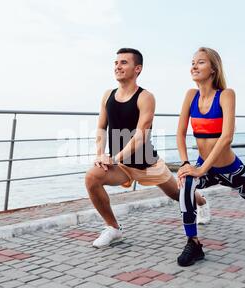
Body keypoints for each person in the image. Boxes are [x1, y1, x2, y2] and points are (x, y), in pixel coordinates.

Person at [176, 47, 245, 267]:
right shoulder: (190, 96)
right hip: (204, 166)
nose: (194, 66)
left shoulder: (226, 95)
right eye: (192, 62)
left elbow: (226, 136)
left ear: (213, 68)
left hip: (231, 169)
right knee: (186, 186)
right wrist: (186, 165)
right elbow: (180, 133)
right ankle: (194, 243)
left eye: (200, 62)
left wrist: (201, 169)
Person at [85, 48, 209, 248]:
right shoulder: (108, 95)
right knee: (92, 177)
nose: (118, 66)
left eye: (124, 62)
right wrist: (100, 154)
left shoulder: (145, 97)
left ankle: (202, 202)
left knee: (177, 195)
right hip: (122, 167)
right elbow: (101, 126)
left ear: (138, 69)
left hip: (147, 164)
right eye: (116, 63)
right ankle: (113, 228)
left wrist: (114, 157)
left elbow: (141, 135)